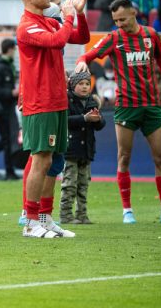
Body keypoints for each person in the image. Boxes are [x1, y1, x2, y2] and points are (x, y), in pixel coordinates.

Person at [75, 0, 161, 225]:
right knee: (123, 157)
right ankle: (127, 210)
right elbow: (87, 54)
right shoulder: (114, 39)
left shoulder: (151, 35)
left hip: (152, 107)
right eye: (115, 20)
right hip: (126, 107)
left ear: (134, 13)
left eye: (122, 19)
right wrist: (83, 61)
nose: (119, 24)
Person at [15, 0, 90, 238]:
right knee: (40, 160)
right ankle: (30, 221)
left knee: (52, 162)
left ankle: (45, 219)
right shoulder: (28, 26)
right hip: (40, 102)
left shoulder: (47, 22)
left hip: (58, 101)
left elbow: (81, 38)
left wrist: (78, 13)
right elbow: (59, 41)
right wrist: (68, 16)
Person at [61, 71, 105, 224]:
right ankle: (66, 215)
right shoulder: (67, 100)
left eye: (87, 83)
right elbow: (64, 121)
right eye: (81, 84)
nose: (85, 87)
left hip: (86, 150)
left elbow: (100, 126)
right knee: (69, 184)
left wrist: (98, 119)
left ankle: (82, 214)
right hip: (71, 149)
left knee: (83, 184)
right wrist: (84, 118)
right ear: (73, 85)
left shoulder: (92, 102)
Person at [0, 38, 19, 180]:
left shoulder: (8, 64)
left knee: (9, 139)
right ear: (10, 49)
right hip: (1, 109)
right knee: (8, 140)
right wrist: (11, 93)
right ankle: (9, 171)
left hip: (9, 107)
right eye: (15, 49)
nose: (16, 52)